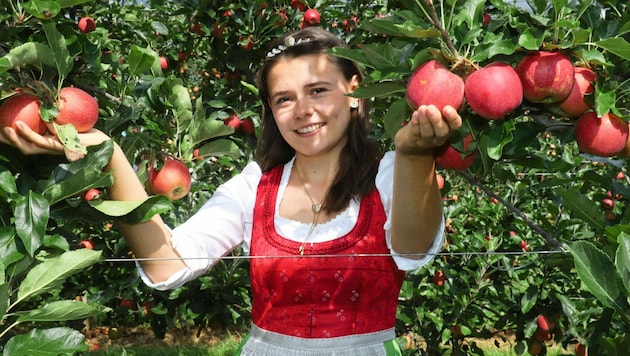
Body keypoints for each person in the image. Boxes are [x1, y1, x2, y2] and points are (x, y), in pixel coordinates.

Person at [0, 27, 462, 355]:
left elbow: (413, 248)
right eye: (284, 99)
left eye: (318, 90)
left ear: (354, 92)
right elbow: (166, 264)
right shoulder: (253, 187)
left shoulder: (389, 173)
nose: (303, 110)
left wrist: (417, 157)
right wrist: (108, 154)